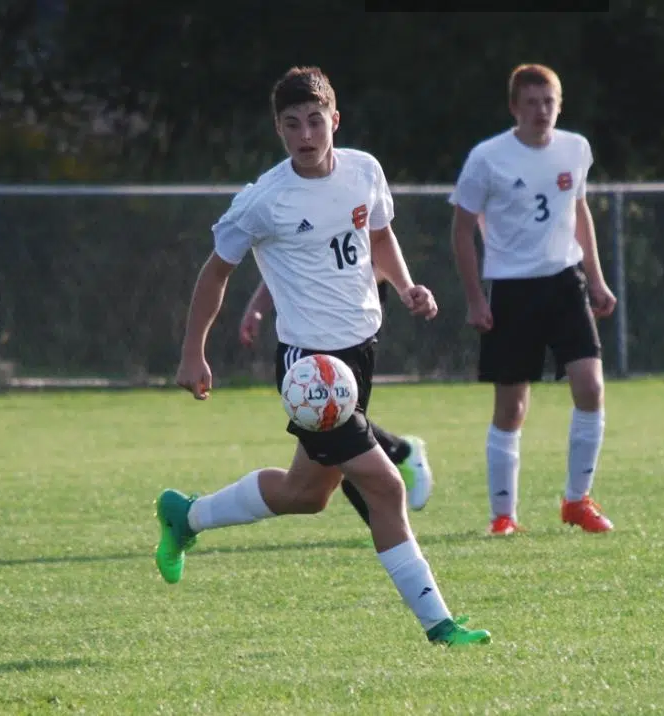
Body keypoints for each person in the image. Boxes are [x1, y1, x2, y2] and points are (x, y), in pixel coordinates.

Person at [158, 66, 491, 646]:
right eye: (292, 125)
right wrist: (194, 352)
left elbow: (378, 237)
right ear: (279, 131)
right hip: (311, 367)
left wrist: (406, 284)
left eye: (315, 121)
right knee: (385, 487)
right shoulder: (265, 200)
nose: (306, 134)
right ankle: (439, 625)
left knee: (306, 495)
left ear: (334, 120)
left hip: (361, 354)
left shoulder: (364, 171)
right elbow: (215, 274)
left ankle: (184, 517)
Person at [449, 64, 617, 536]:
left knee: (591, 388)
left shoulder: (575, 149)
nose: (541, 111)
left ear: (559, 104)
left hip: (565, 284)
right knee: (512, 408)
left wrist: (596, 279)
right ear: (514, 108)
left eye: (549, 102)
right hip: (512, 290)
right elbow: (462, 229)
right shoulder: (487, 158)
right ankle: (504, 515)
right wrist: (475, 298)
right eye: (531, 102)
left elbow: (579, 211)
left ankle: (577, 500)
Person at [238, 271, 433, 525]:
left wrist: (402, 286)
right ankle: (395, 454)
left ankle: (398, 453)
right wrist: (258, 306)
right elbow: (287, 255)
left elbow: (378, 244)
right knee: (317, 480)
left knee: (337, 435)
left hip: (348, 322)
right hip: (314, 326)